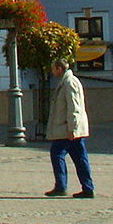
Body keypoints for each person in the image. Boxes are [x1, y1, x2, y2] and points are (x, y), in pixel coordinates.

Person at [44, 57, 95, 198]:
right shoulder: (66, 81)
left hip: (67, 130)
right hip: (70, 129)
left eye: (53, 68)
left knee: (57, 154)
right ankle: (88, 188)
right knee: (80, 158)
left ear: (59, 68)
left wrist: (72, 128)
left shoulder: (69, 82)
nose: (52, 71)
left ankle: (61, 186)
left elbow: (74, 107)